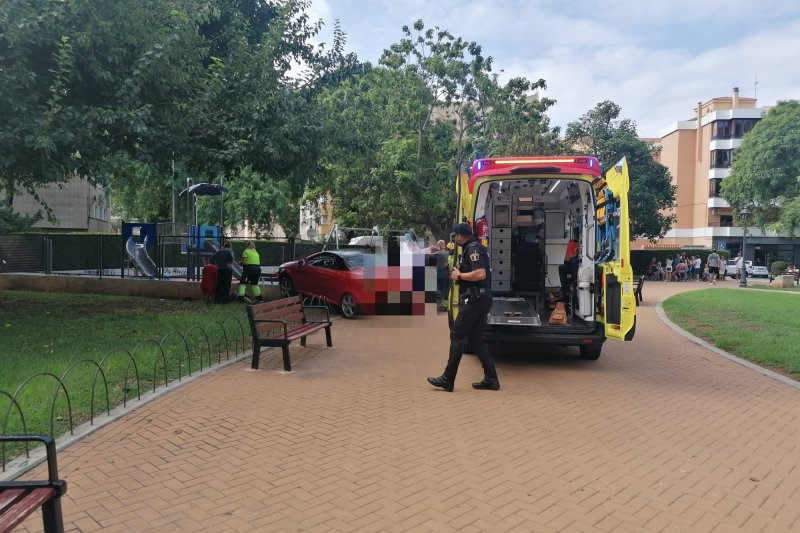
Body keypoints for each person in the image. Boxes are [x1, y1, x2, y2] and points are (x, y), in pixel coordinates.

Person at [427, 223, 499, 392]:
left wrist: (459, 275)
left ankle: (448, 378)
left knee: (457, 335)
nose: (454, 239)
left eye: (455, 236)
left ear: (460, 235)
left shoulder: (473, 249)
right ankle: (491, 378)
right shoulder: (471, 248)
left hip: (475, 299)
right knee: (474, 338)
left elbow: (480, 273)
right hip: (480, 298)